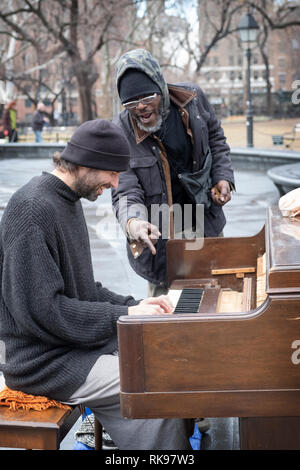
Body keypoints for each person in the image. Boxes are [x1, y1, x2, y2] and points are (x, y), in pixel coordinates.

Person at [0, 119, 193, 450]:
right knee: (152, 383)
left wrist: (137, 306)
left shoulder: (65, 200)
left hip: (68, 348)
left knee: (165, 355)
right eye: (112, 173)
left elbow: (85, 289)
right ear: (88, 163)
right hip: (41, 362)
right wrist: (125, 314)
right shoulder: (34, 210)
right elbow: (45, 311)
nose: (116, 183)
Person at [112, 49, 235, 298]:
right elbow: (124, 189)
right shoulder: (121, 130)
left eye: (147, 97)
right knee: (168, 315)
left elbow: (216, 138)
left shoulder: (193, 98)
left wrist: (223, 177)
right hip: (161, 236)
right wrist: (133, 222)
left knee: (216, 296)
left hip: (204, 220)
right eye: (131, 103)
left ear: (160, 86)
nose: (142, 107)